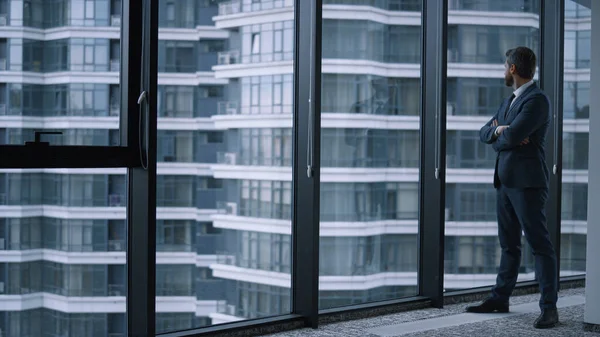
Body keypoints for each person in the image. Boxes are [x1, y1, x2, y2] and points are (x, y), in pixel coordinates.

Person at [466, 46, 559, 329]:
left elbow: (514, 135)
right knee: (509, 244)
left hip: (527, 183)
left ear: (513, 69)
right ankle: (500, 298)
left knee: (539, 245)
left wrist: (506, 132)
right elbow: (486, 133)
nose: (503, 71)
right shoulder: (510, 102)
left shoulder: (537, 100)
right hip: (505, 182)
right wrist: (499, 130)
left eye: (504, 66)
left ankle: (549, 309)